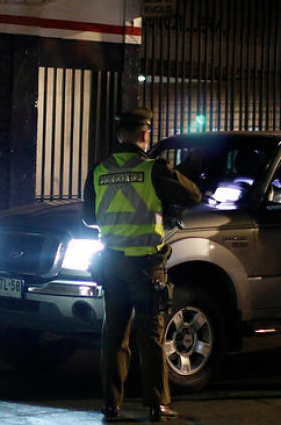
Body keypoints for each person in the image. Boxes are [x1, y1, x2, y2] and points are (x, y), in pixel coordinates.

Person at [82, 108, 201, 422]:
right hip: (146, 265)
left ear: (118, 133)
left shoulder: (99, 169)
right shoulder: (153, 168)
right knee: (150, 335)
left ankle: (111, 404)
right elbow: (193, 194)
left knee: (113, 335)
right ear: (144, 133)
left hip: (110, 262)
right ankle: (156, 403)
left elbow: (88, 218)